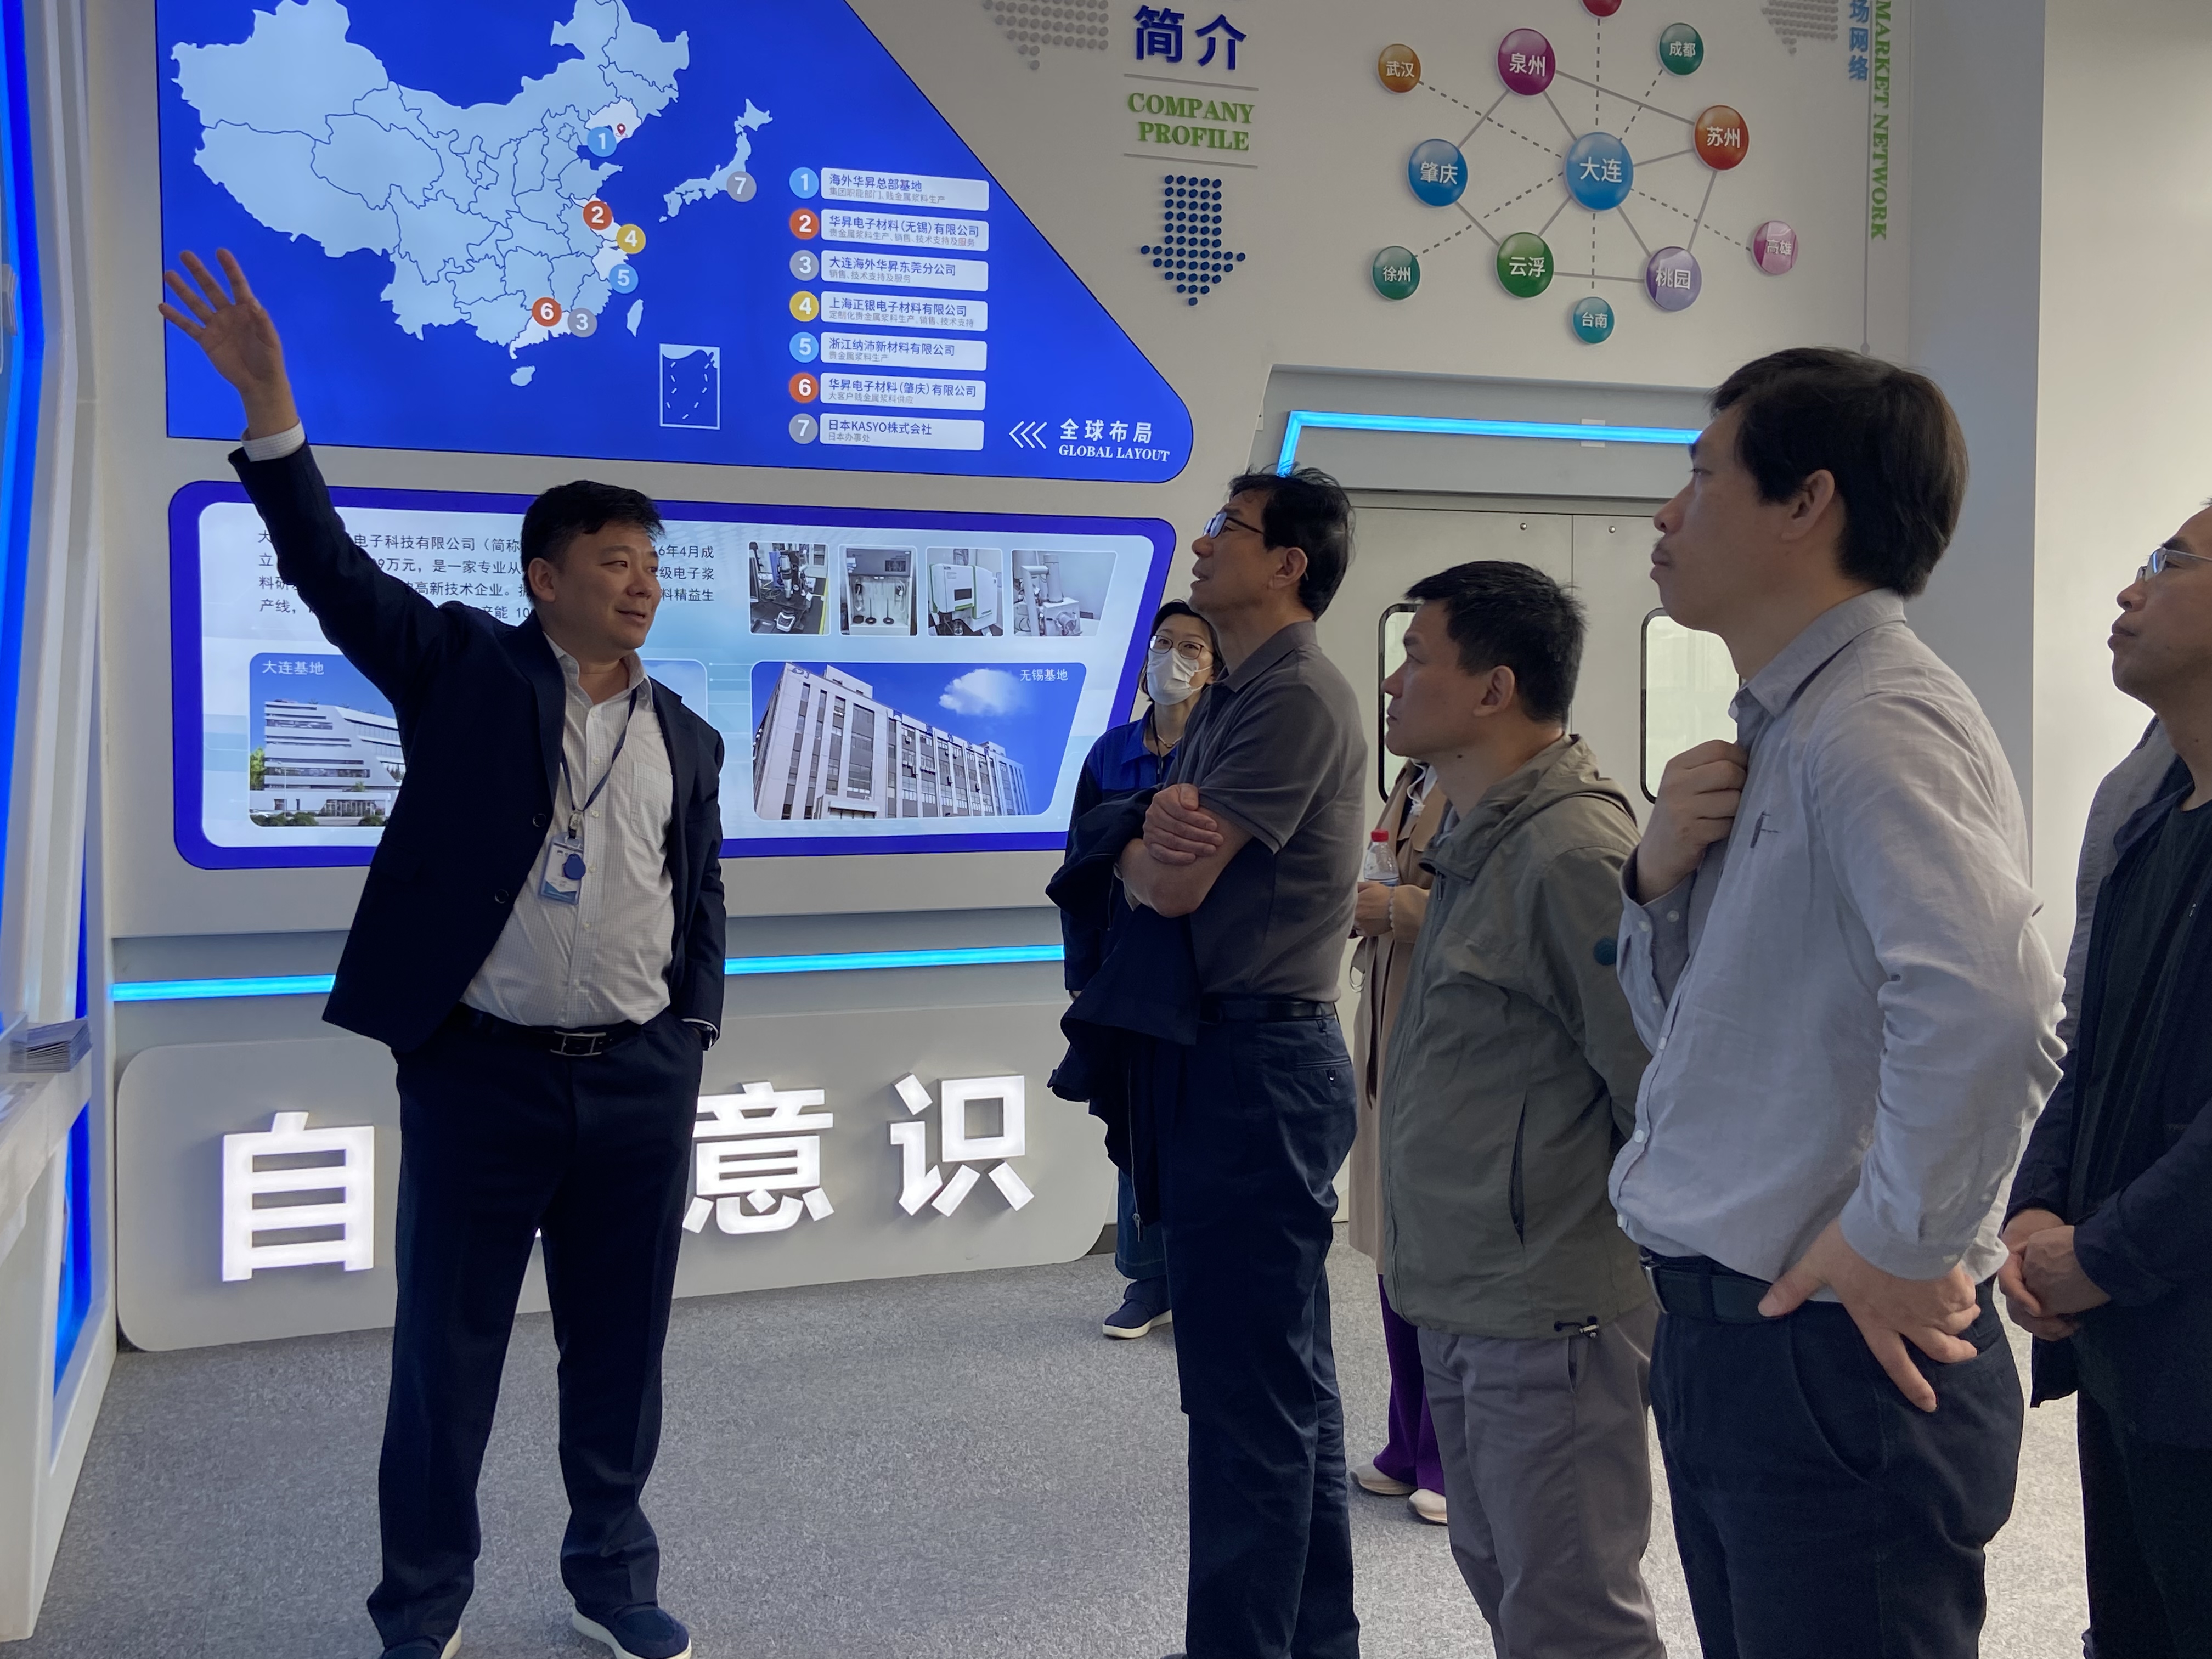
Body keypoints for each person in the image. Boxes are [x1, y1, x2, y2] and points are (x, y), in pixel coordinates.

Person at [161, 250, 724, 1659]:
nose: (642, 584)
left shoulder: (688, 734)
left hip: (639, 1083)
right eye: (615, 562)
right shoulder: (468, 669)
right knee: (445, 1360)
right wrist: (272, 411)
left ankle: (614, 1579)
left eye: (652, 566)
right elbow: (331, 572)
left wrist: (691, 1033)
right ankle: (420, 1606)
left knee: (623, 1354)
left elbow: (698, 895)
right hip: (484, 1078)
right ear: (546, 578)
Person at [1611, 347, 2063, 1658]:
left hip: (1834, 1356)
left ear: (1806, 503)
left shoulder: (1877, 718)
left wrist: (1900, 1242)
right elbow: (1703, 1036)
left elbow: (1992, 1003)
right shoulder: (1783, 729)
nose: (1667, 513)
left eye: (1703, 477)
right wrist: (1654, 881)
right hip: (1743, 1349)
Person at [1375, 561, 1661, 1658]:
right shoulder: (1477, 833)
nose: (1395, 682)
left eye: (1417, 658)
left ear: (1494, 689)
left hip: (1550, 1315)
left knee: (1574, 1612)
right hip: (1465, 1296)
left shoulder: (1572, 854)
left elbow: (1656, 1089)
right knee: (1506, 1580)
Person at [1116, 469, 1366, 1659]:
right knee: (1277, 1384)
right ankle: (1307, 1641)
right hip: (1233, 1059)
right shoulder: (1235, 688)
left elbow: (1170, 881)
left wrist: (1133, 851)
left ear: (1288, 565)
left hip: (1258, 1068)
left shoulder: (1294, 697)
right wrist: (1139, 843)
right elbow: (1148, 844)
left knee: (1247, 1403)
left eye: (1229, 528)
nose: (1205, 543)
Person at [2001, 520, 2212, 1658]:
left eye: (2171, 566)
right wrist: (2037, 1207)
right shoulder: (2148, 825)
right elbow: (2091, 1042)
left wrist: (2101, 1254)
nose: (2132, 591)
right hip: (2132, 1348)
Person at [1059, 599, 1221, 1339]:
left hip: (1205, 965)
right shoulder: (1110, 753)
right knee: (1134, 1117)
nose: (1174, 659)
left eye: (1192, 647)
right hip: (1124, 967)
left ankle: (1202, 1274)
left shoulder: (1224, 749)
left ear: (1214, 668)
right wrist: (1082, 970)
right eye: (1164, 643)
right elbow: (1081, 867)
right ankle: (1146, 1277)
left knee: (1203, 1121)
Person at [1345, 754, 1449, 1524]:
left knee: (1435, 1254)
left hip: (1442, 1041)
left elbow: (1497, 912)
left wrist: (1395, 908)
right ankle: (1407, 1443)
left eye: (1409, 692)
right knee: (1394, 1251)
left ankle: (1448, 1459)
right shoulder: (1413, 778)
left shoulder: (1497, 786)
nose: (1392, 697)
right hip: (1389, 1032)